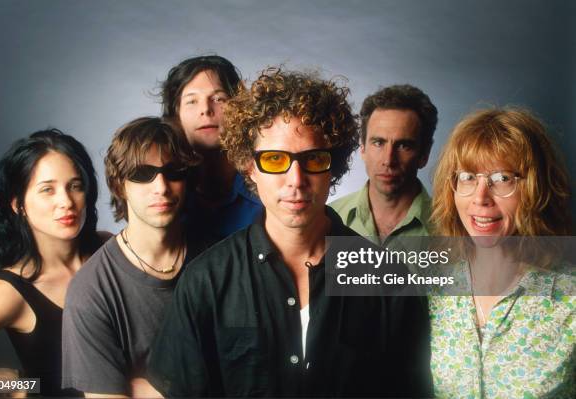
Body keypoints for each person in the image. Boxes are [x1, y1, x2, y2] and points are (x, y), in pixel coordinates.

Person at [148, 68, 433, 397]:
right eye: (274, 159)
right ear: (249, 166)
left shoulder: (387, 279)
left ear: (334, 165)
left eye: (312, 159)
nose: (295, 180)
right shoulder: (207, 280)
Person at [429, 108, 575, 398]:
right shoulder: (429, 291)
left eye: (503, 178)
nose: (481, 198)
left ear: (536, 188)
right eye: (468, 177)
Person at [61, 117, 208, 397]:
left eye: (173, 171)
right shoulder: (91, 291)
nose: (161, 187)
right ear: (119, 185)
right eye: (142, 174)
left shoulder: (220, 259)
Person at [0, 129, 103, 397]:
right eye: (47, 190)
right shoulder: (9, 291)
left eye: (75, 186)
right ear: (19, 205)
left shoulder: (108, 249)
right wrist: (10, 382)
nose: (66, 202)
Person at [161, 55, 262, 240]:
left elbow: (327, 242)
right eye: (192, 101)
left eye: (218, 98)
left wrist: (334, 269)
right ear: (176, 116)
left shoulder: (269, 180)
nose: (205, 110)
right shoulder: (161, 189)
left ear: (239, 108)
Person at [331, 84, 437, 246]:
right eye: (378, 143)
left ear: (424, 154)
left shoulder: (451, 228)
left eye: (404, 146)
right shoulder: (328, 219)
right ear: (363, 148)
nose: (388, 160)